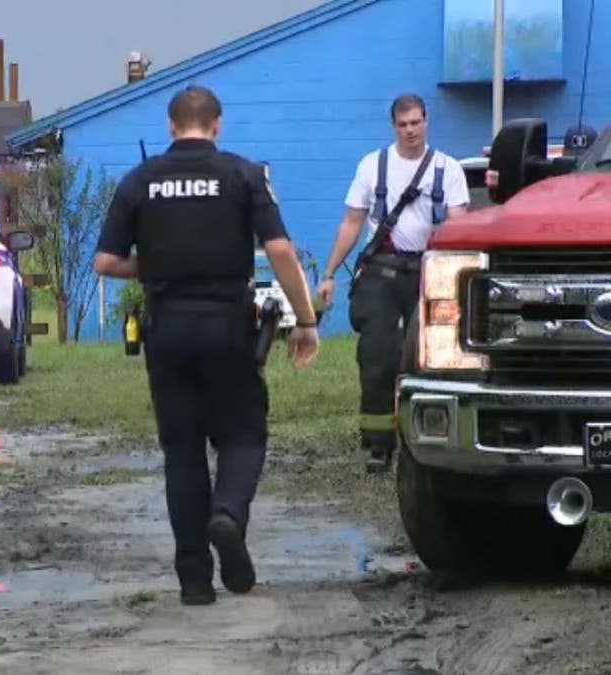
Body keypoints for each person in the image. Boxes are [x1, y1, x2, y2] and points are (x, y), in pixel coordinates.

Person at [94, 85, 320, 605]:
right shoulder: (243, 175)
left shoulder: (140, 180)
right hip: (228, 326)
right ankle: (228, 516)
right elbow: (281, 251)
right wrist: (304, 320)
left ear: (172, 126)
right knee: (243, 435)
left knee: (182, 451)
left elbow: (105, 263)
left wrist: (154, 265)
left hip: (166, 329)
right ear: (217, 125)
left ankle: (194, 579)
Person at [315, 93, 469, 474]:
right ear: (393, 126)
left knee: (437, 357)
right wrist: (330, 274)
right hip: (382, 271)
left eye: (416, 122)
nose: (410, 130)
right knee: (378, 356)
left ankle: (438, 437)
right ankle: (378, 444)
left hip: (429, 272)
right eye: (403, 124)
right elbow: (352, 221)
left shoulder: (447, 169)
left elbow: (460, 224)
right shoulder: (373, 166)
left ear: (426, 121)